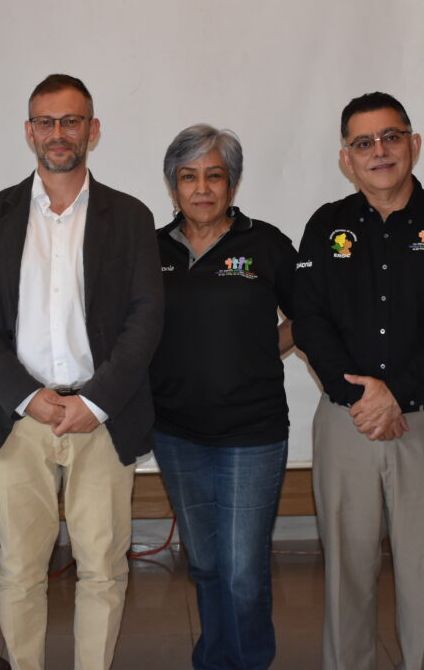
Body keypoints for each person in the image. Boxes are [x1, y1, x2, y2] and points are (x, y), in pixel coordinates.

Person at [0, 74, 163, 670]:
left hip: (102, 418)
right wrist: (26, 396)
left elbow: (147, 316)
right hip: (17, 418)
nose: (58, 133)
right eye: (46, 121)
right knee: (20, 568)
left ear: (93, 130)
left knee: (103, 568)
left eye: (71, 121)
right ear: (29, 132)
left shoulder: (130, 216)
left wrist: (94, 402)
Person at [293, 92, 424, 670]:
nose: (379, 151)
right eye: (363, 143)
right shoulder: (325, 225)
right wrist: (364, 396)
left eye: (391, 137)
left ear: (413, 144)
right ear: (346, 159)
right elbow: (309, 319)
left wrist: (395, 394)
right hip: (346, 420)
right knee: (345, 571)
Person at [150, 124, 297, 670]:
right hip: (176, 433)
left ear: (232, 184)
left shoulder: (266, 244)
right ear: (173, 186)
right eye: (189, 177)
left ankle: (249, 660)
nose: (202, 188)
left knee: (242, 571)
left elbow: (308, 316)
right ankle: (215, 658)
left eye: (214, 176)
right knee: (206, 563)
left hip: (251, 432)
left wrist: (261, 350)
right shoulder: (151, 248)